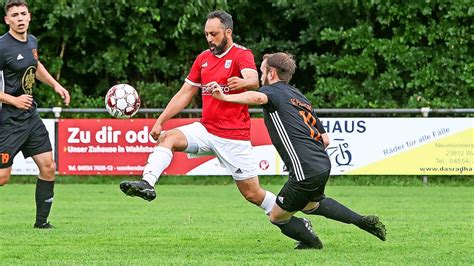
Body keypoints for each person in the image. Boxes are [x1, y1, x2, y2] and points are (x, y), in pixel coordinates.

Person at [211, 52, 386, 249]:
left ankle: (311, 242)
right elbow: (325, 139)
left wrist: (224, 96)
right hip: (322, 164)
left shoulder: (272, 92)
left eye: (262, 71)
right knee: (311, 204)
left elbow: (258, 98)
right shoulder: (299, 97)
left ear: (272, 73)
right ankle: (361, 221)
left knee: (277, 216)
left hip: (305, 170)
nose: (261, 77)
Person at [119, 10, 276, 216]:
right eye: (206, 34)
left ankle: (292, 219)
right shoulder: (203, 58)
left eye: (214, 34)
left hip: (233, 136)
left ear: (228, 32)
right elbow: (185, 93)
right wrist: (160, 121)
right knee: (168, 138)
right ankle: (147, 183)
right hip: (206, 129)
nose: (209, 39)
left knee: (253, 194)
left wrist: (243, 82)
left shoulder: (241, 54)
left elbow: (254, 80)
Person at [0, 0, 70, 229]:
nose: (20, 18)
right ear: (7, 20)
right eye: (14, 15)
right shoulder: (1, 47)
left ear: (29, 17)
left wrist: (55, 85)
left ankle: (42, 224)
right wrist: (13, 100)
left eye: (23, 14)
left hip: (30, 117)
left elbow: (35, 65)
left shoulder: (32, 41)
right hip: (7, 120)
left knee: (48, 166)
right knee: (2, 178)